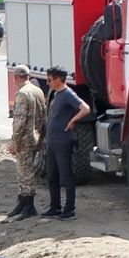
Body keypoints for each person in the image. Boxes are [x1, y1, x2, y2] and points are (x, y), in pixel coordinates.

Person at [42, 67, 90, 220]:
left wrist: (73, 121)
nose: (48, 83)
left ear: (58, 79)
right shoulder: (55, 93)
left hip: (62, 141)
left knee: (66, 177)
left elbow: (85, 108)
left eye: (49, 80)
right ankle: (54, 207)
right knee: (52, 176)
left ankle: (69, 210)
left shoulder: (68, 93)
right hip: (52, 141)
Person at [5, 64, 46, 220]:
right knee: (27, 171)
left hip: (25, 139)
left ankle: (28, 206)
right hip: (36, 136)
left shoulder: (23, 93)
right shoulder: (38, 90)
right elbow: (44, 115)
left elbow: (20, 120)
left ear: (16, 77)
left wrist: (14, 141)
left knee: (25, 173)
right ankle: (22, 204)